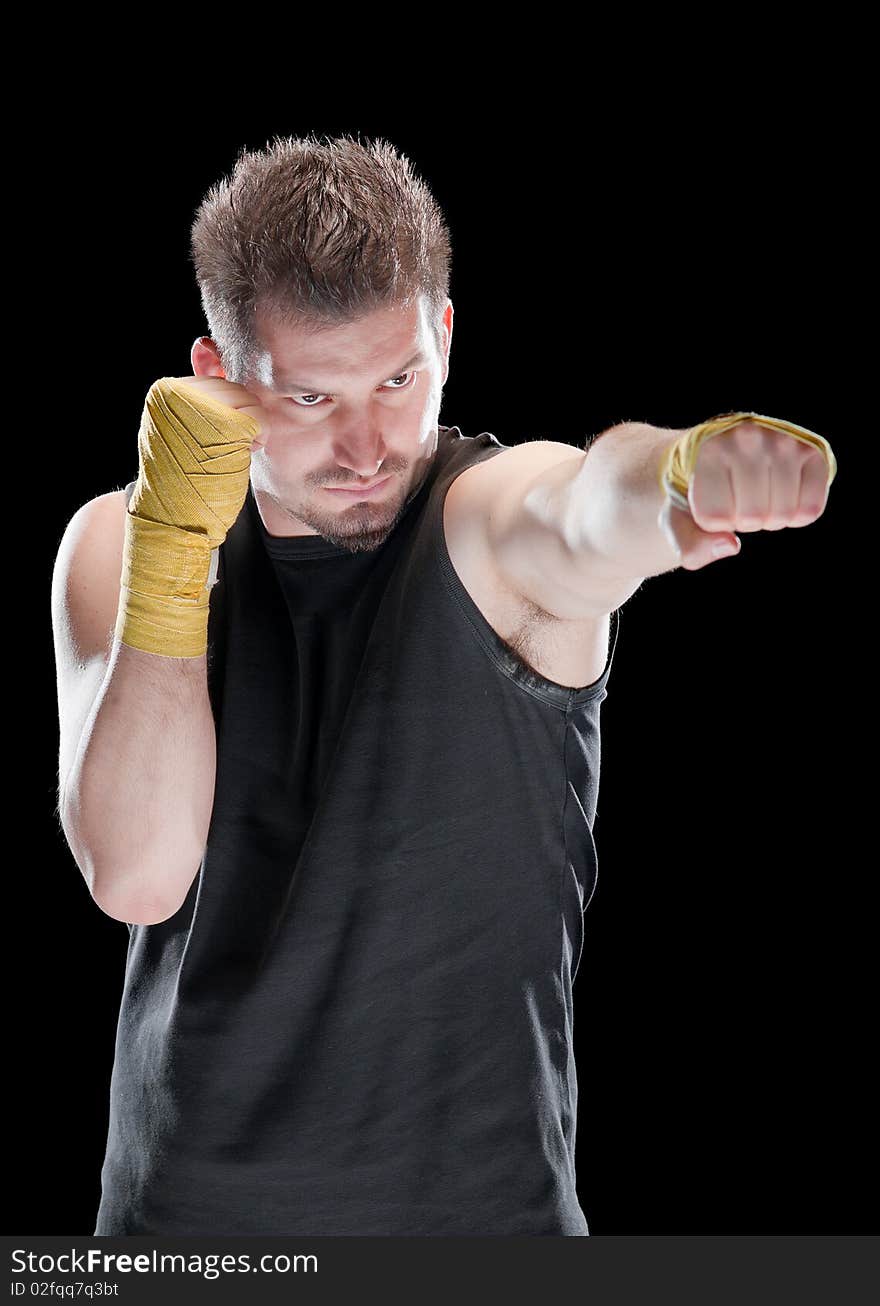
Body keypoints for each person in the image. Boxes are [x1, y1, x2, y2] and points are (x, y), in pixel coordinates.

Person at [50, 133, 834, 1237]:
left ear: (446, 336)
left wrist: (675, 478)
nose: (370, 445)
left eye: (399, 378)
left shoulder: (481, 518)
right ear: (218, 379)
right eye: (312, 399)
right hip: (184, 1237)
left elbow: (576, 508)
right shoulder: (118, 541)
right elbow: (137, 871)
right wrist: (175, 539)